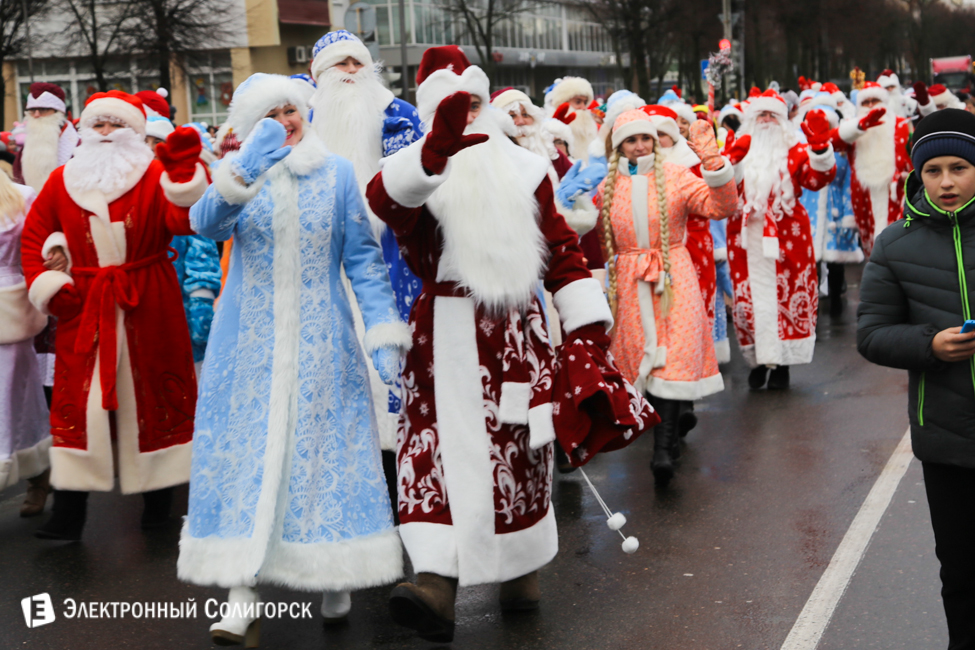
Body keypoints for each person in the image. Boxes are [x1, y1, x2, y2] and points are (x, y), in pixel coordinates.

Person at [366, 46, 652, 643]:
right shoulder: (419, 171)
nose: (466, 114)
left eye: (472, 102)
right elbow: (386, 201)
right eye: (452, 107)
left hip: (517, 334)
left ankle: (521, 569)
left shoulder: (526, 169)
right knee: (433, 451)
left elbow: (564, 254)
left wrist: (585, 335)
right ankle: (437, 582)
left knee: (518, 448)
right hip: (442, 334)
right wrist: (433, 152)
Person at [177, 73, 411, 644]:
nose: (286, 118)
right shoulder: (238, 174)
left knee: (319, 458)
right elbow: (204, 224)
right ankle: (241, 594)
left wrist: (383, 333)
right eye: (272, 112)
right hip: (247, 349)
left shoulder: (335, 175)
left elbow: (362, 259)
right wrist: (245, 168)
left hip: (322, 344)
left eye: (292, 108)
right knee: (247, 463)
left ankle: (333, 575)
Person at [19, 91, 209, 541]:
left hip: (149, 300)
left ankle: (159, 504)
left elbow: (185, 223)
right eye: (98, 125)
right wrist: (53, 289)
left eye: (116, 126)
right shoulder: (63, 179)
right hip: (85, 303)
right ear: (83, 130)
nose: (106, 134)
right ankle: (69, 513)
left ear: (136, 132)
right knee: (79, 405)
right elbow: (34, 237)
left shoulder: (154, 173)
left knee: (155, 398)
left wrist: (185, 177)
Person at [857, 108, 975, 650]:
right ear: (916, 175)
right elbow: (873, 333)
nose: (946, 182)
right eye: (933, 171)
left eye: (959, 167)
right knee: (962, 571)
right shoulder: (894, 244)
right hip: (947, 438)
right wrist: (928, 344)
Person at [595, 109, 736, 485]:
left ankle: (663, 447)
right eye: (631, 140)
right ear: (619, 146)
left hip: (673, 279)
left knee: (671, 361)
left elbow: (721, 207)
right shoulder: (607, 187)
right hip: (628, 283)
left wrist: (714, 164)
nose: (639, 146)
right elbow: (595, 240)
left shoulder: (675, 176)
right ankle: (664, 440)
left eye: (646, 138)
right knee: (645, 364)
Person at [307, 29, 422, 463]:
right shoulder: (303, 121)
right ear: (320, 73)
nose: (352, 72)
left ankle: (396, 466)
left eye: (358, 62)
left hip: (392, 258)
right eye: (342, 64)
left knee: (392, 362)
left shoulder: (400, 115)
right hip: (325, 263)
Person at [727, 90, 837, 390]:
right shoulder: (738, 148)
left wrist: (820, 150)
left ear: (782, 121)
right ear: (749, 121)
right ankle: (758, 360)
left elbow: (816, 180)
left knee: (787, 295)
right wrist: (728, 165)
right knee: (748, 300)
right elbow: (724, 192)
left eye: (772, 115)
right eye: (760, 115)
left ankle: (782, 364)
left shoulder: (795, 151)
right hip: (745, 238)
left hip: (788, 236)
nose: (765, 121)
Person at [0, 173, 52, 516]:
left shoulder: (21, 195)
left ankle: (39, 473)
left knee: (18, 397)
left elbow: (41, 247)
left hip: (12, 311)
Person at [833, 81, 910, 257]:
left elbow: (910, 155)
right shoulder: (853, 128)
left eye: (874, 101)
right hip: (864, 194)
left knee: (897, 245)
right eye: (865, 102)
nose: (870, 106)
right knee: (872, 247)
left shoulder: (900, 124)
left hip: (895, 192)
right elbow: (834, 144)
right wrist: (859, 127)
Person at [13, 83, 79, 193]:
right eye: (32, 110)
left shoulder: (78, 143)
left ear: (58, 112)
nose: (37, 115)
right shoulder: (25, 147)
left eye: (43, 109)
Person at [544, 76, 598, 160]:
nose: (583, 107)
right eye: (578, 102)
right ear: (564, 102)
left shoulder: (591, 127)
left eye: (585, 102)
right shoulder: (549, 125)